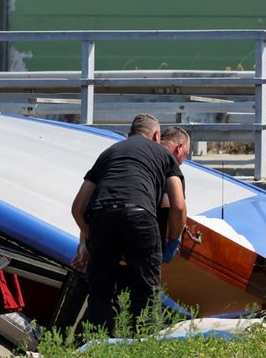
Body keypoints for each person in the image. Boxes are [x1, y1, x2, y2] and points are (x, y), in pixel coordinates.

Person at [71, 114, 187, 334]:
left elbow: (78, 208)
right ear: (156, 135)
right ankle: (144, 351)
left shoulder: (108, 154)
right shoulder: (163, 154)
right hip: (141, 217)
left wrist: (91, 238)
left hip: (102, 216)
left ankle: (99, 349)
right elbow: (178, 206)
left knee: (101, 293)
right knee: (146, 293)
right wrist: (173, 238)